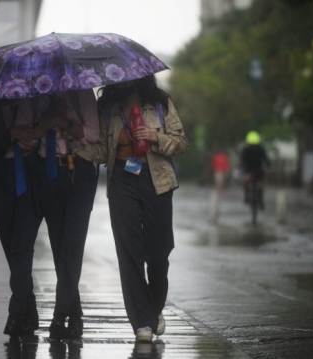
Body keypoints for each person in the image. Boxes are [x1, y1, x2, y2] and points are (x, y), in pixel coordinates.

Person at [9, 90, 106, 340]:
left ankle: (59, 316)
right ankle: (75, 316)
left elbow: (93, 134)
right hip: (47, 173)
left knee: (72, 246)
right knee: (58, 246)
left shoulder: (81, 94)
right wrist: (42, 126)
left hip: (80, 171)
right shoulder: (32, 96)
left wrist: (61, 121)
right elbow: (21, 134)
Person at [97, 75, 188, 343]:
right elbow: (101, 150)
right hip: (122, 181)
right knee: (129, 252)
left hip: (156, 178)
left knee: (159, 254)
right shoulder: (110, 108)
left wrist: (155, 137)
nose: (125, 82)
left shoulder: (160, 103)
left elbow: (181, 142)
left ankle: (154, 308)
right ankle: (142, 323)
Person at [0, 99, 42, 338]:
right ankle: (29, 310)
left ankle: (16, 312)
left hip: (32, 182)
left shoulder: (34, 103)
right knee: (12, 248)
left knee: (22, 247)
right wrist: (11, 134)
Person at [239, 131, 270, 209]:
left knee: (246, 181)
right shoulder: (261, 149)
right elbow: (266, 159)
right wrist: (268, 166)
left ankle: (246, 196)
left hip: (248, 169)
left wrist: (241, 168)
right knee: (260, 185)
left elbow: (242, 160)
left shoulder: (245, 149)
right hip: (258, 169)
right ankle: (261, 200)